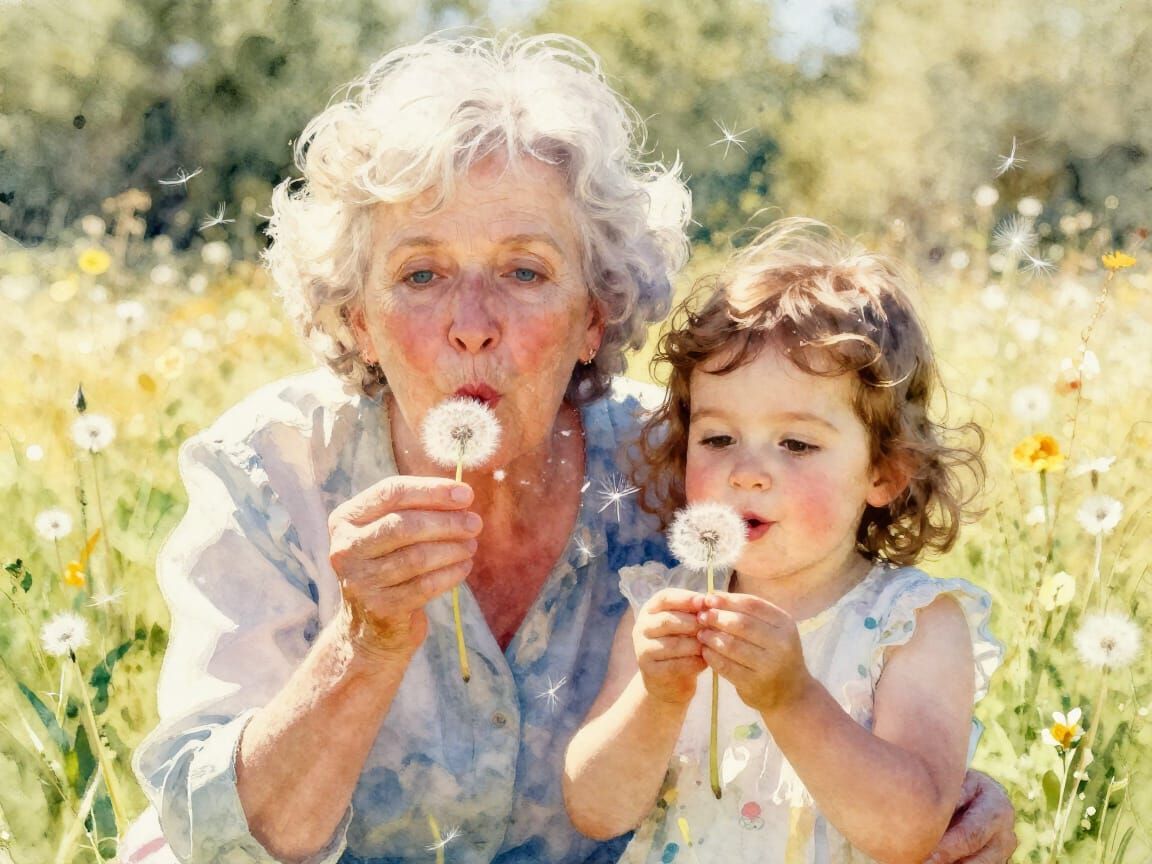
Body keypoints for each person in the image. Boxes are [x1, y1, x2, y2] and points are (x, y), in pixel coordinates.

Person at [121, 34, 1016, 864]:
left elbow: (844, 638)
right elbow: (211, 838)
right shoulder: (268, 472)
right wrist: (364, 643)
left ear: (595, 314)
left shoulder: (687, 469)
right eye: (421, 274)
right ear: (358, 318)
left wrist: (947, 803)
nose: (472, 326)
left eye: (524, 272)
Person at [563, 218, 1003, 863]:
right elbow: (596, 811)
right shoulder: (664, 608)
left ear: (884, 470)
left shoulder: (912, 625)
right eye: (718, 439)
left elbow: (909, 833)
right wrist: (656, 697)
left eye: (796, 444)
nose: (747, 471)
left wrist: (791, 698)